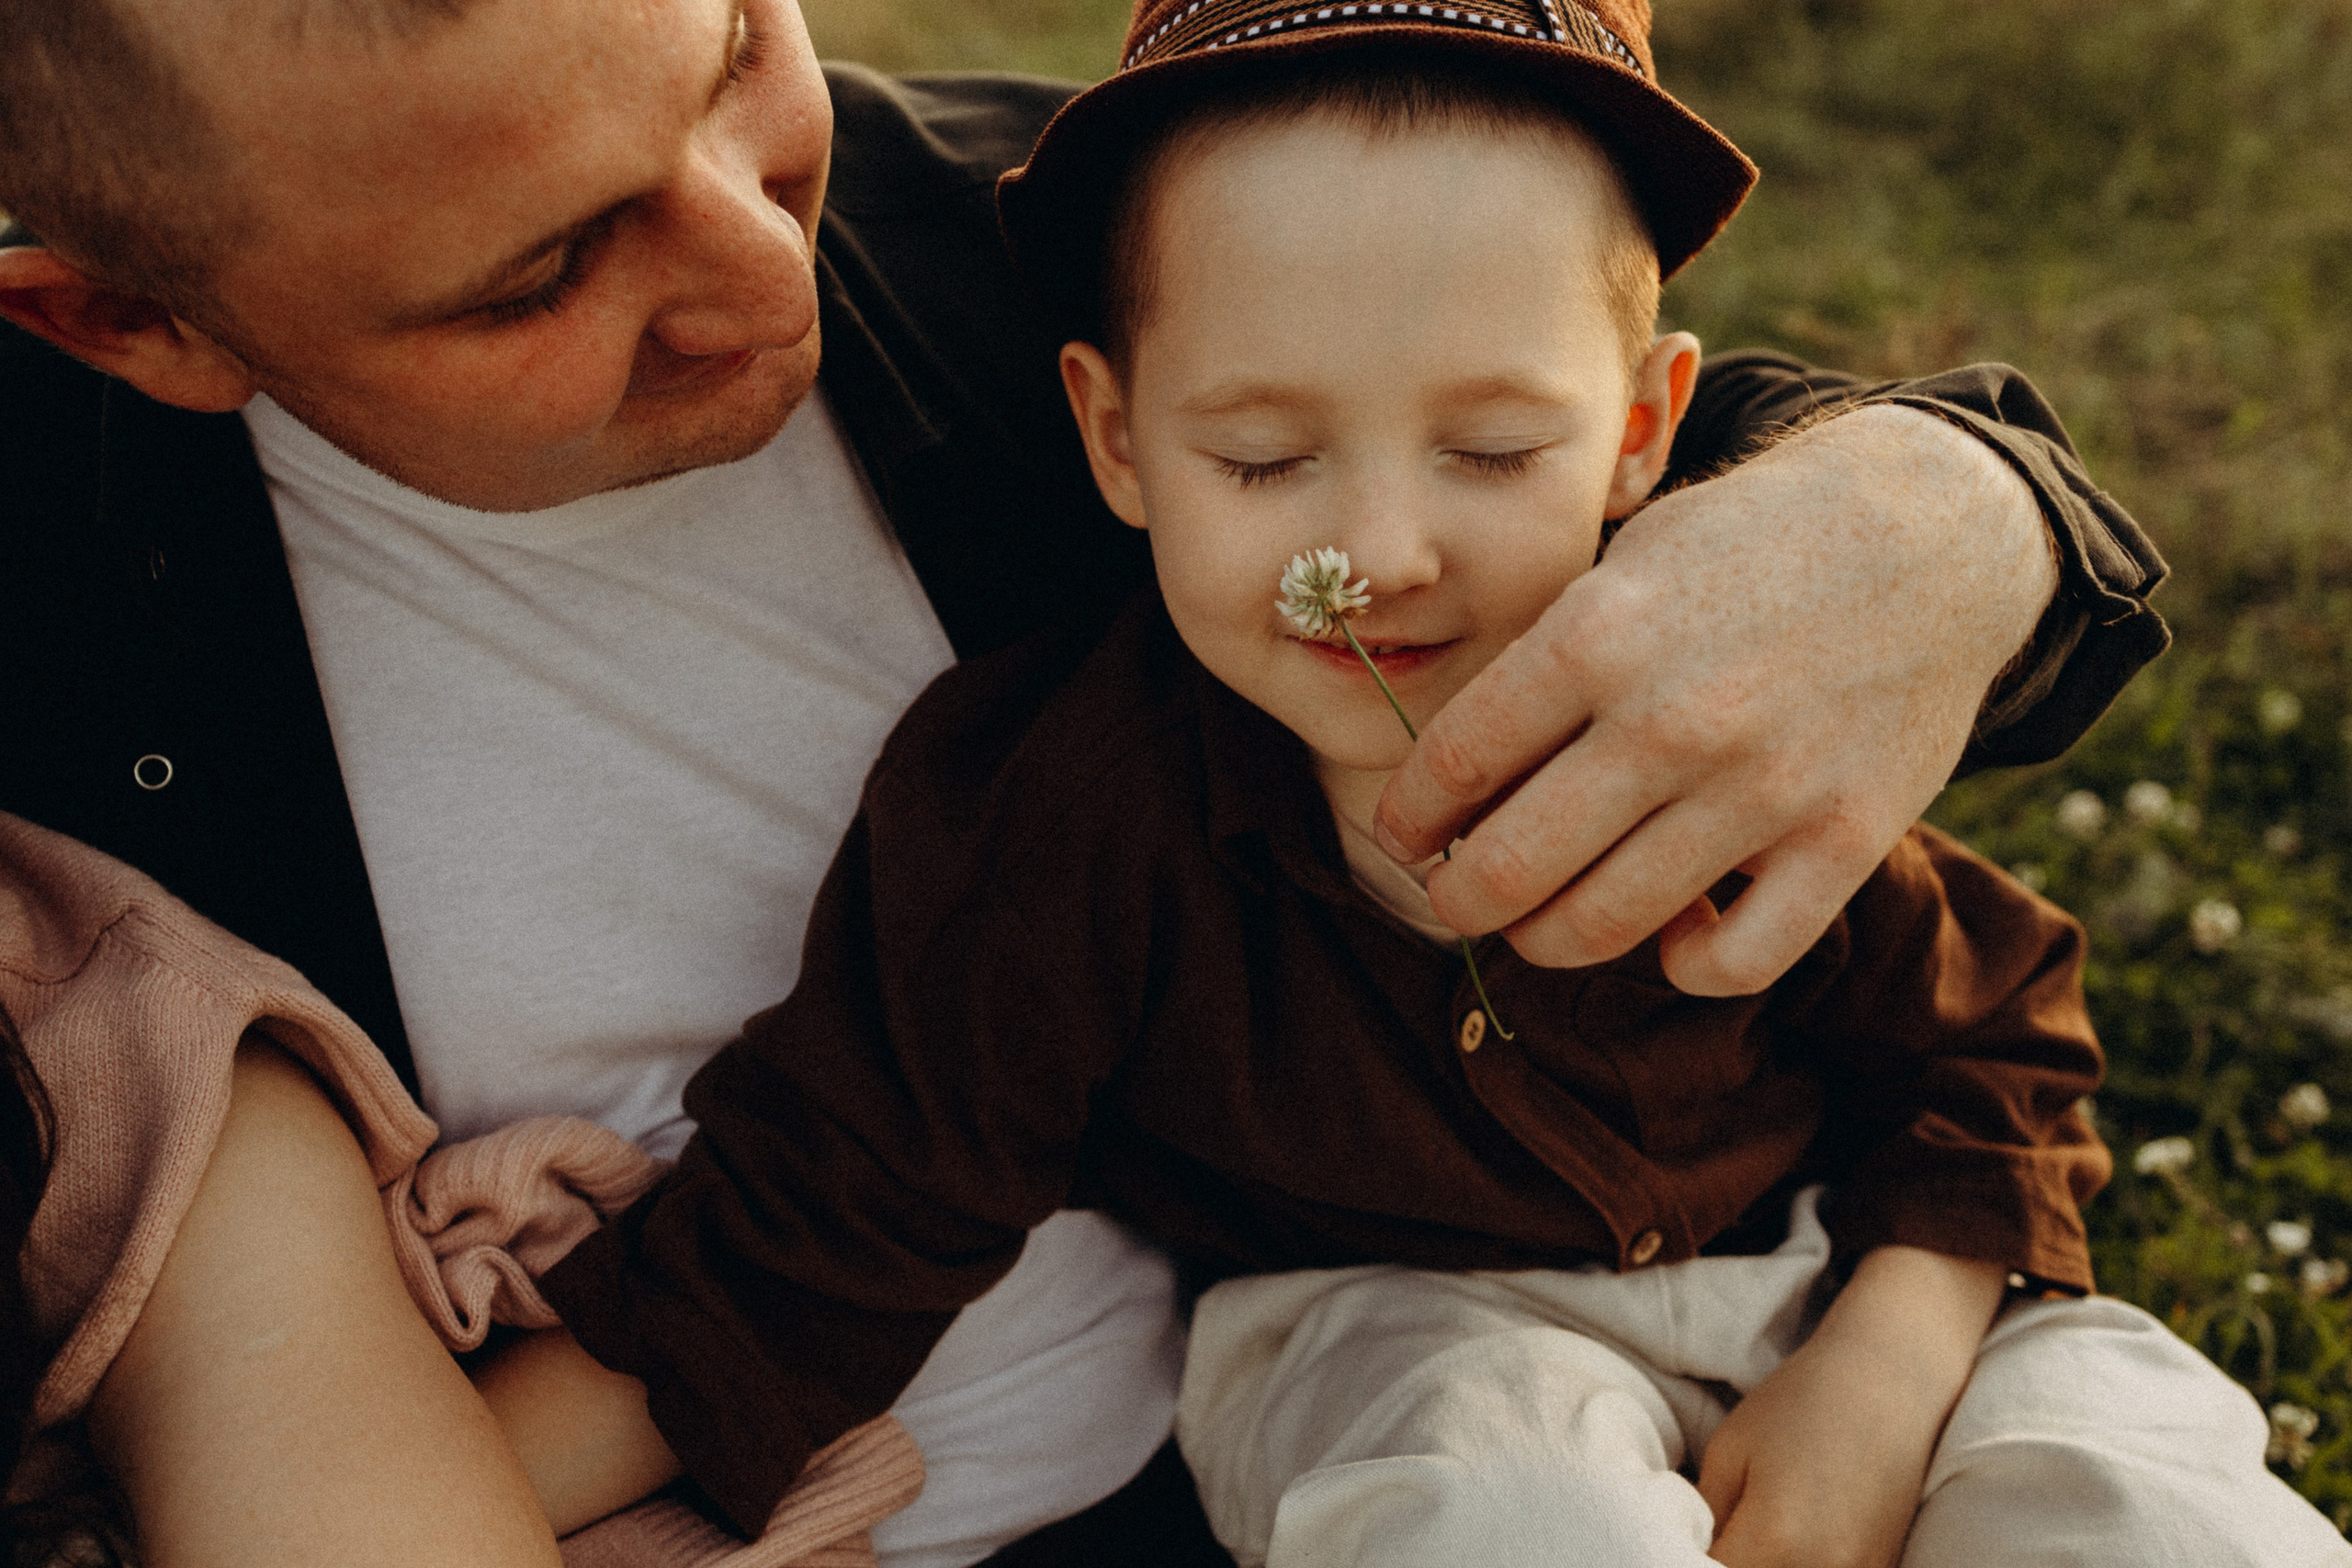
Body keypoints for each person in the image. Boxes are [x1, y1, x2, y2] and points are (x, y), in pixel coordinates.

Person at [0, 0, 2166, 1561]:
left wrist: (1961, 501)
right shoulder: (75, 619)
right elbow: (829, 1216)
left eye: (739, 50)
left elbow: (1649, 444)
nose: (770, 268)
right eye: (539, 274)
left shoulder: (1041, 234)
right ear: (120, 323)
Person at [522, 16, 2347, 1565]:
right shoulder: (1058, 807)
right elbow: (847, 1198)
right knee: (1499, 1512)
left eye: (1490, 448)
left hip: (1833, 1264)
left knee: (2134, 1491)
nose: (1376, 553)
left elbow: (1980, 1032)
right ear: (1113, 436)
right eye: (1261, 455)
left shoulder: (1706, 689)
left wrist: (1887, 1340)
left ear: (1639, 431)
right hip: (1390, 1320)